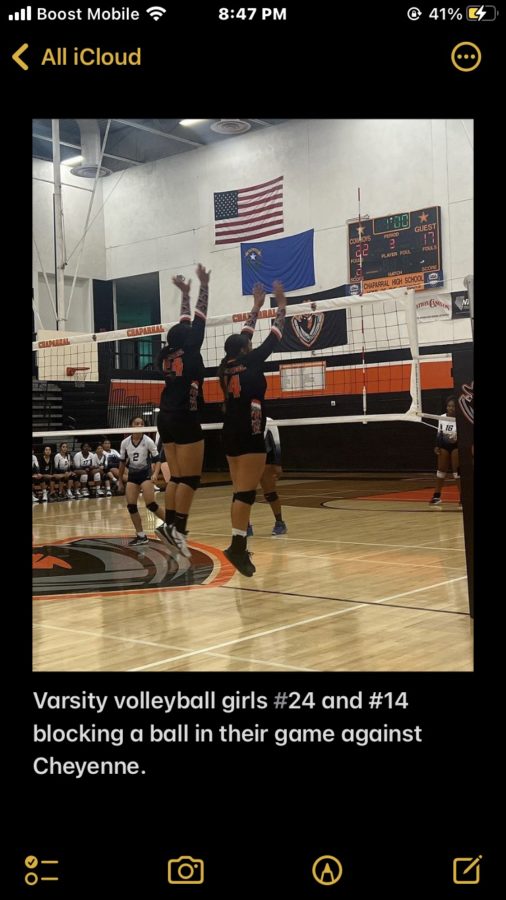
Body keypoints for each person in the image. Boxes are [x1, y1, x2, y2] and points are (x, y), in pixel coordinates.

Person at [218, 280, 287, 576]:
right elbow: (276, 334)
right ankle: (236, 546)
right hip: (250, 430)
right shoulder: (254, 359)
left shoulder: (224, 365)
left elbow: (245, 334)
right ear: (246, 349)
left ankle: (239, 544)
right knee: (245, 493)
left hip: (230, 430)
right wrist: (280, 304)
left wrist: (256, 308)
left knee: (240, 491)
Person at [154, 264, 210, 558]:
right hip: (185, 417)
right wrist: (204, 286)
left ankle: (168, 527)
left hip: (165, 416)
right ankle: (180, 531)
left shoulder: (170, 352)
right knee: (190, 479)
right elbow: (199, 317)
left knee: (176, 477)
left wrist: (185, 294)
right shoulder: (191, 348)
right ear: (187, 338)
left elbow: (185, 321)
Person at [117, 416, 165, 546]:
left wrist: (155, 473)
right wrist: (120, 480)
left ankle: (170, 524)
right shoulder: (125, 442)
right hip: (133, 475)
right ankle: (141, 535)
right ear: (131, 425)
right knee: (131, 506)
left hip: (145, 475)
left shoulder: (148, 441)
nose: (139, 425)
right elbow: (121, 463)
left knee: (151, 504)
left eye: (141, 423)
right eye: (136, 423)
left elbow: (157, 460)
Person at [247, 418, 288, 536]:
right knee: (246, 493)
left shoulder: (268, 421)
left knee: (270, 493)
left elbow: (276, 443)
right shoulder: (240, 418)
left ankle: (280, 523)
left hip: (266, 458)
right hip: (248, 458)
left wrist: (278, 464)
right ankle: (245, 525)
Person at [429, 395, 461, 505]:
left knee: (457, 472)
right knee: (441, 470)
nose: (451, 408)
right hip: (444, 446)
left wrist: (457, 438)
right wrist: (437, 446)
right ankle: (436, 496)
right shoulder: (441, 417)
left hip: (457, 446)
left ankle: (463, 497)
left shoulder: (461, 418)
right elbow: (439, 433)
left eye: (453, 406)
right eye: (449, 406)